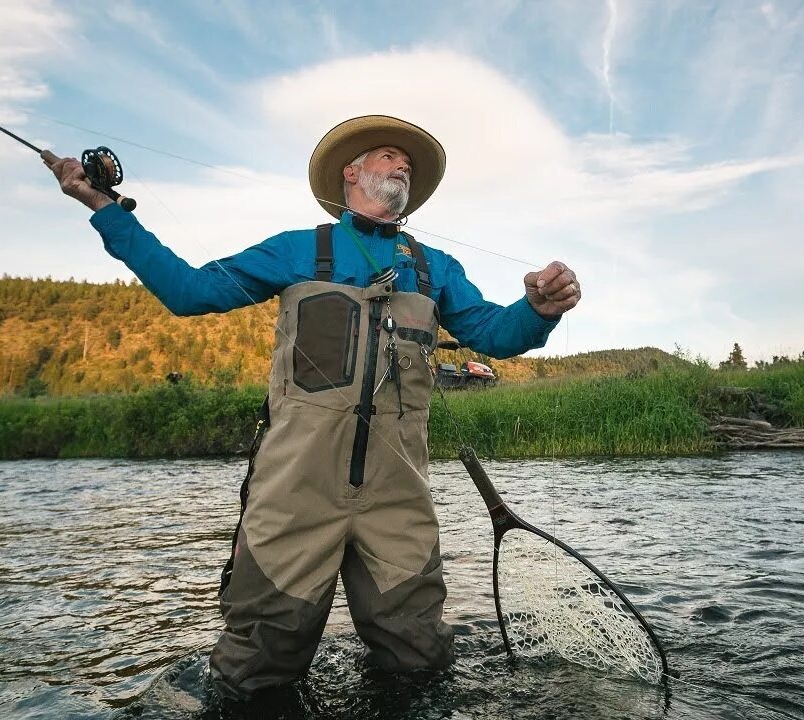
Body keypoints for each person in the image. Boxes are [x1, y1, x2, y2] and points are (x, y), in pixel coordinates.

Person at [47, 115, 582, 698]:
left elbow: (495, 333)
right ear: (350, 173)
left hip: (399, 496)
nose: (401, 166)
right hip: (294, 491)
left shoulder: (436, 269)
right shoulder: (297, 249)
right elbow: (186, 291)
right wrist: (100, 204)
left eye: (407, 163)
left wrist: (539, 309)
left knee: (420, 665)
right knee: (256, 673)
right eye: (386, 156)